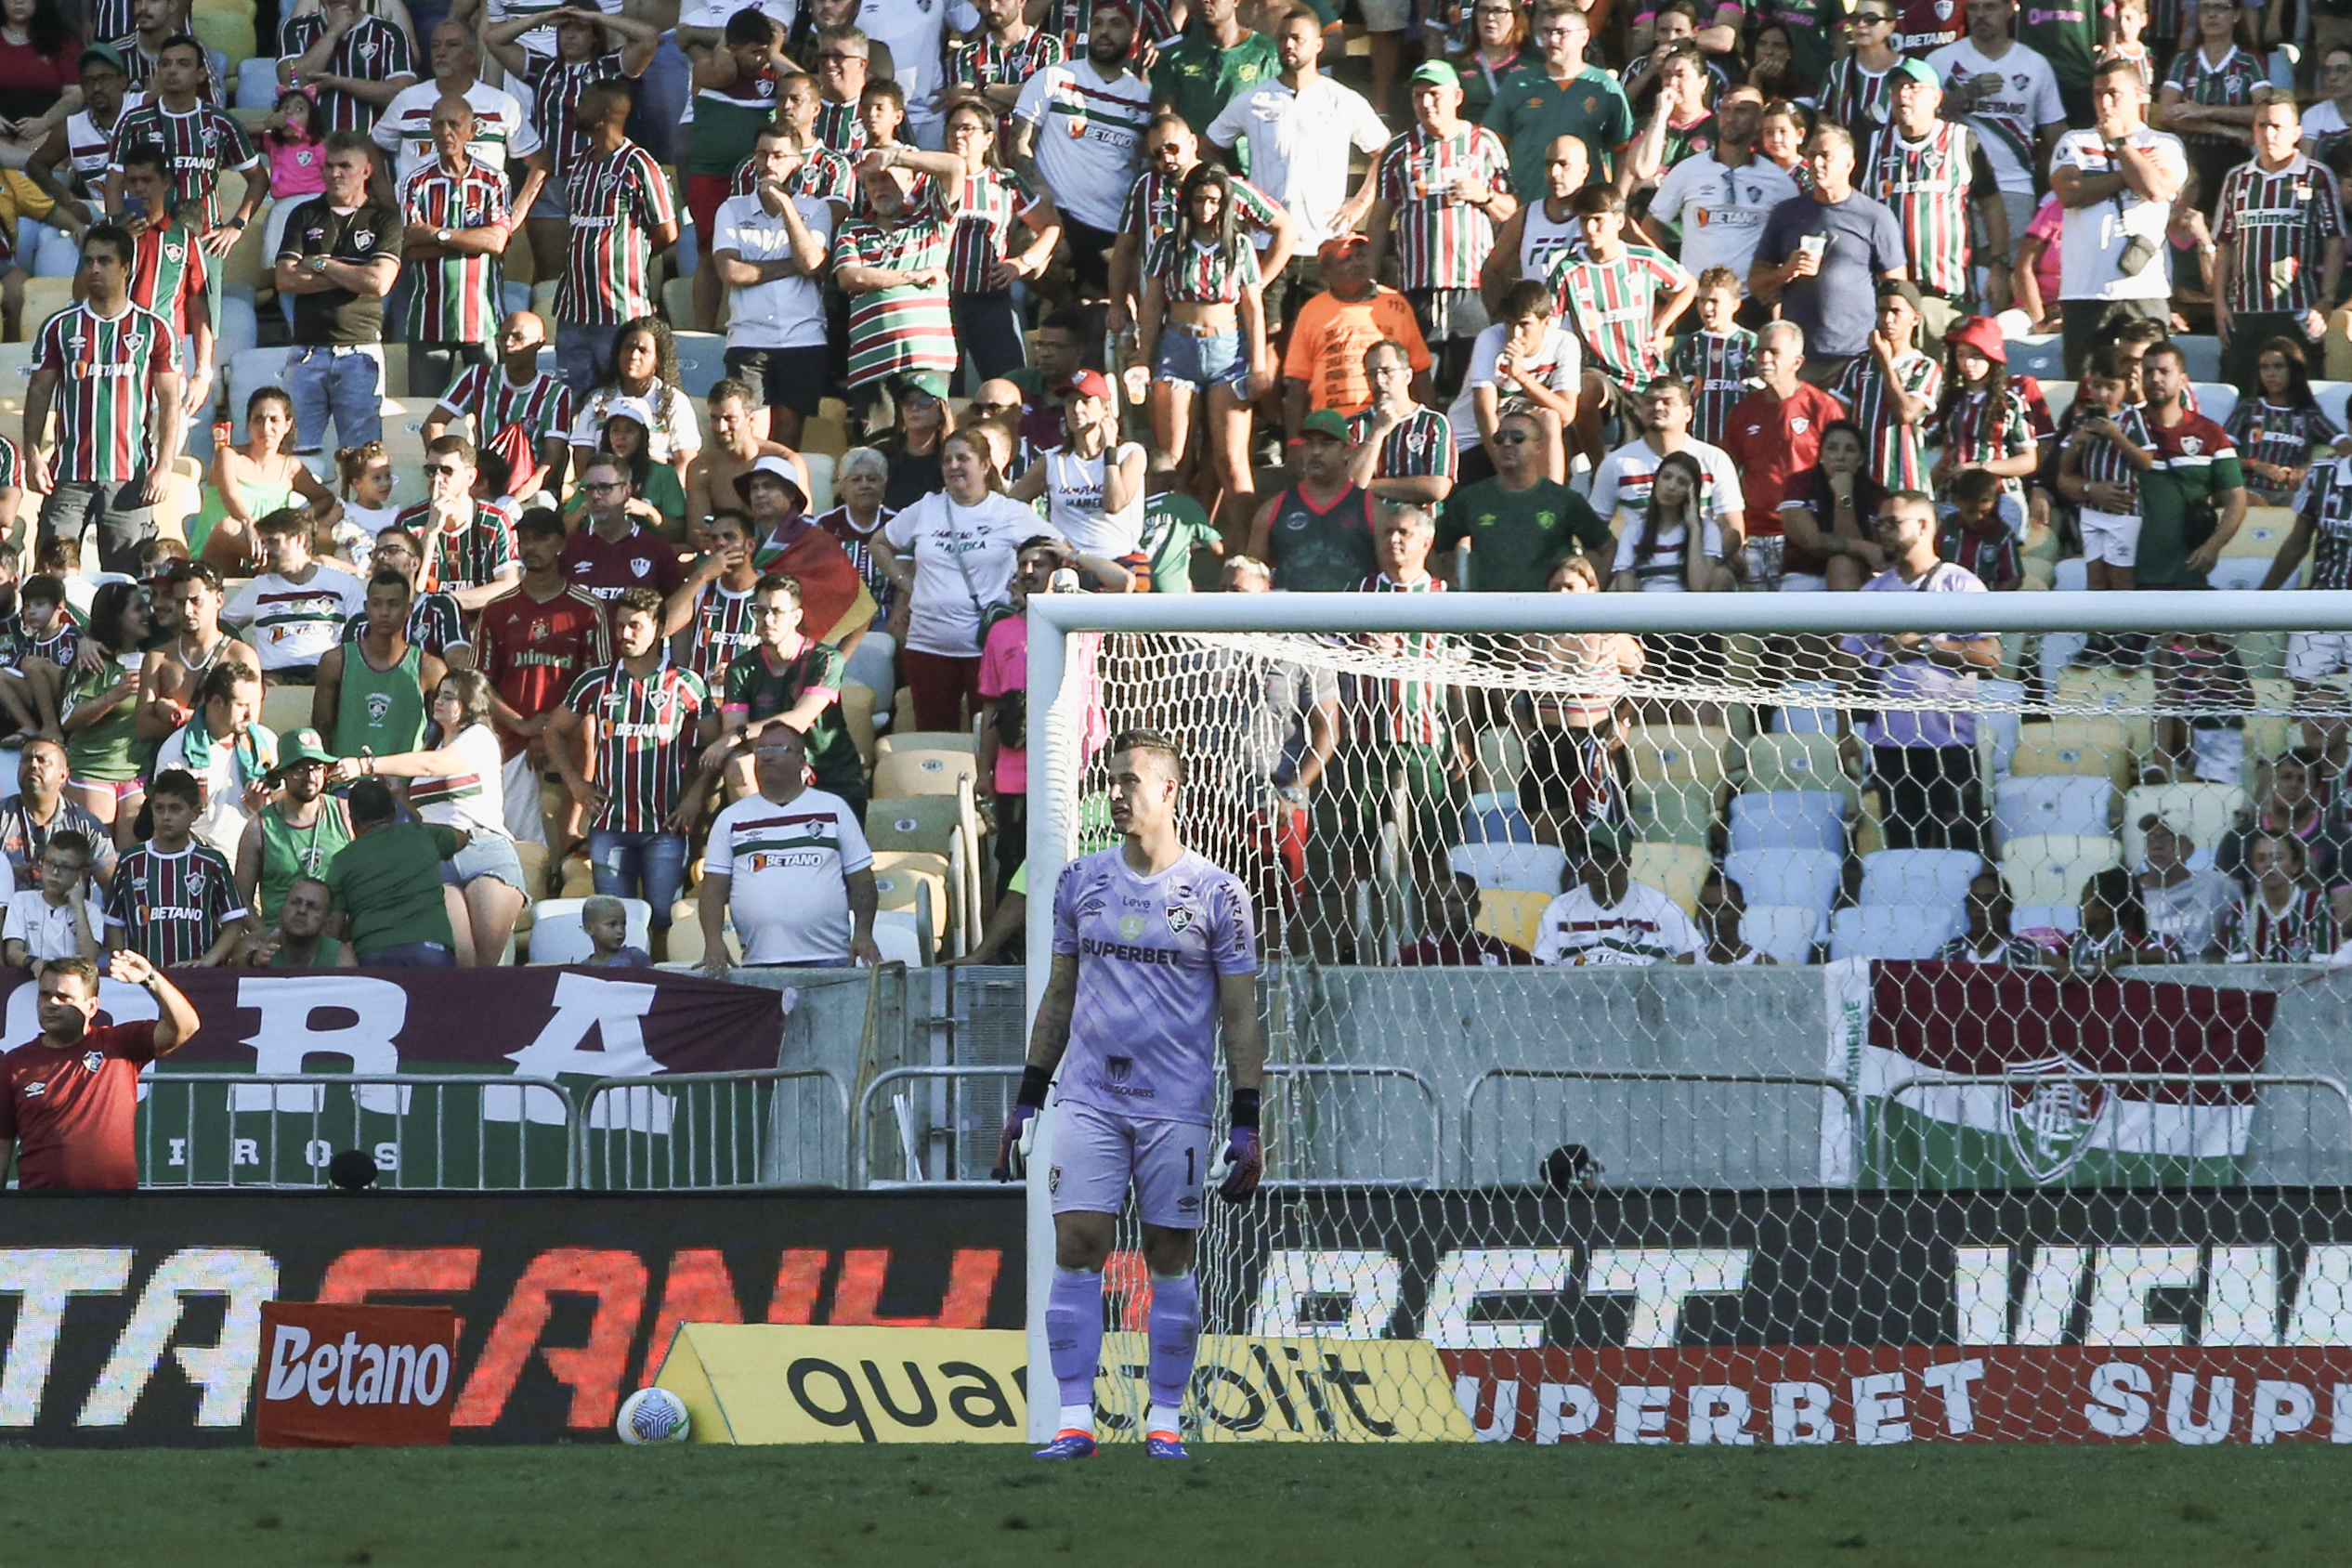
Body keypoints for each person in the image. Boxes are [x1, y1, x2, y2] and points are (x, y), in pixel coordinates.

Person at [996, 729, 1263, 1462]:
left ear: (1170, 790)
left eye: (1131, 780)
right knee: (1078, 1243)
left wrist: (1247, 1119)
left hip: (1175, 1106)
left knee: (1168, 1256)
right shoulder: (1080, 880)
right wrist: (1027, 1100)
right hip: (1088, 1098)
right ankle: (1075, 1418)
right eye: (1110, 780)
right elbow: (1058, 995)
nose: (1116, 792)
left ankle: (1166, 1421)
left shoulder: (1219, 894)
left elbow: (1241, 1016)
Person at [549, 587, 717, 960]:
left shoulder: (687, 683)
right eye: (620, 625)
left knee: (661, 919)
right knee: (611, 921)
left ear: (658, 630)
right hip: (610, 825)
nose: (625, 634)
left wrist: (695, 797)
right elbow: (554, 731)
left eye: (635, 626)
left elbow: (715, 745)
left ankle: (657, 987)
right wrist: (576, 783)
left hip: (666, 825)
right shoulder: (594, 682)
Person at [329, 668, 527, 968]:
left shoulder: (479, 737)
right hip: (437, 856)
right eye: (438, 695)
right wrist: (399, 795)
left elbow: (433, 766)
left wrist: (366, 764)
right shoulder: (432, 744)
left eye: (450, 697)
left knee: (487, 965)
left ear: (469, 704)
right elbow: (429, 811)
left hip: (483, 850)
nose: (439, 701)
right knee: (460, 961)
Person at [1840, 490, 2001, 851]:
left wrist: (1923, 646)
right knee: (1903, 848)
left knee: (1960, 848)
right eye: (1879, 523)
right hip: (1890, 743)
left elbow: (1991, 656)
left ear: (1925, 526)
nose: (1883, 531)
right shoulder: (1874, 591)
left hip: (1951, 742)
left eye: (1892, 523)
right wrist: (1844, 732)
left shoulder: (1960, 584)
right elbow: (1847, 664)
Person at [24, 224, 182, 575]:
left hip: (130, 476)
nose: (94, 268)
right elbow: (38, 393)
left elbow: (170, 402)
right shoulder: (60, 326)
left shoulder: (153, 328)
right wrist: (34, 456)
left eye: (105, 261)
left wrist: (165, 467)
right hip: (67, 474)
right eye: (89, 260)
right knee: (51, 576)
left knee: (128, 580)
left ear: (126, 267)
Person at [1127, 162, 1271, 544]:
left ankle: (1250, 552)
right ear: (1186, 202)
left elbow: (1253, 307)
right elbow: (1153, 302)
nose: (1205, 209)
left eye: (1213, 201)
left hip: (1227, 348)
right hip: (1178, 345)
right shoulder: (1167, 244)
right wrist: (1143, 356)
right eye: (1198, 200)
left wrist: (1258, 364)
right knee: (1173, 457)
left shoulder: (1238, 246)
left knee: (1231, 459)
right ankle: (1172, 547)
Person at [882, 426, 1043, 733]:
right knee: (933, 736)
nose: (953, 465)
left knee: (989, 733)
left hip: (987, 646)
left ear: (984, 465)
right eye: (947, 460)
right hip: (927, 645)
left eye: (963, 458)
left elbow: (1053, 549)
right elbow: (880, 543)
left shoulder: (1008, 512)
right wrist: (906, 584)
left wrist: (1024, 592)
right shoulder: (927, 507)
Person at [1366, 60, 1514, 390]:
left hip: (1473, 286)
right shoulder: (1399, 150)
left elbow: (1511, 210)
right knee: (1417, 383)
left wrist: (1484, 195)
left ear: (1457, 96)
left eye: (1434, 94)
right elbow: (1378, 220)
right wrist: (1372, 281)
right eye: (1419, 96)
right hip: (1418, 286)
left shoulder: (1484, 144)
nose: (1426, 103)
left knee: (1478, 382)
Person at [0, 950, 197, 1189]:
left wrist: (151, 978)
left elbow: (186, 1026)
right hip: (42, 1208)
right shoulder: (14, 1062)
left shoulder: (120, 1044)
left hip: (115, 1208)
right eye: (45, 995)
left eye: (64, 997)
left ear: (92, 1007)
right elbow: (3, 1140)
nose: (52, 1004)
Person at [694, 721, 880, 974]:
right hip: (758, 962)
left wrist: (863, 933)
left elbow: (862, 880)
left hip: (831, 959)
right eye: (761, 749)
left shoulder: (834, 809)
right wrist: (713, 941)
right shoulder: (731, 818)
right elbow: (713, 889)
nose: (768, 755)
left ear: (802, 761)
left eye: (780, 748)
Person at [473, 509, 609, 850]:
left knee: (564, 850)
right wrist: (522, 726)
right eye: (526, 539)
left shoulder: (587, 609)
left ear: (561, 544)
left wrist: (551, 730)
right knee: (515, 849)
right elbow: (478, 684)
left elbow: (601, 684)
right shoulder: (497, 609)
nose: (531, 546)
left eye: (542, 538)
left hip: (572, 741)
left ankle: (572, 837)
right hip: (511, 742)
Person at [2048, 59, 2188, 374]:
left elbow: (2155, 188)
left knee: (2152, 380)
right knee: (2088, 385)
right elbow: (2071, 193)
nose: (2105, 103)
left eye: (2114, 94)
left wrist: (2121, 145)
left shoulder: (2163, 142)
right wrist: (2131, 173)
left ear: (2139, 94)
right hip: (2085, 291)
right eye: (2098, 94)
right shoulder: (2074, 141)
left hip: (2144, 288)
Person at [1009, 3, 1150, 300]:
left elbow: (1144, 165)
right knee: (1029, 243)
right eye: (1098, 23)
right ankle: (1065, 307)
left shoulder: (1143, 99)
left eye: (1115, 25)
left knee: (1110, 311)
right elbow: (1019, 145)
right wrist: (1038, 192)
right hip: (1058, 217)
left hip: (1114, 227)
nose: (1104, 31)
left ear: (1133, 35)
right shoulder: (1054, 77)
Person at [1862, 59, 2005, 348]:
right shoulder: (1874, 144)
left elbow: (1991, 203)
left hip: (1947, 293)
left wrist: (1999, 264)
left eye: (1913, 88)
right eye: (1897, 88)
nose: (1903, 95)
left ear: (1936, 97)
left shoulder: (1961, 140)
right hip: (1889, 295)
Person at [1751, 124, 1911, 379]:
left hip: (1856, 356)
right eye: (1812, 155)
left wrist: (1892, 346)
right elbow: (1756, 283)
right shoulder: (1786, 213)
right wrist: (1785, 272)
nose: (1816, 163)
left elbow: (1897, 291)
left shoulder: (1874, 216)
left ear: (1849, 164)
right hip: (1800, 359)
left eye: (1825, 155)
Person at [712, 121, 835, 451]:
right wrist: (792, 267)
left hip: (803, 338)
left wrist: (786, 206)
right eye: (762, 154)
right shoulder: (733, 208)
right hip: (748, 339)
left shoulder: (815, 208)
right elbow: (731, 271)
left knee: (789, 440)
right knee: (749, 440)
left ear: (797, 161)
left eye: (779, 155)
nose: (769, 163)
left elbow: (812, 262)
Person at [2213, 93, 2345, 391]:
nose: (2268, 134)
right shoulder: (2237, 179)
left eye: (2277, 127)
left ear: (2297, 133)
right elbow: (2225, 244)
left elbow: (2334, 239)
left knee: (2300, 397)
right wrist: (2219, 303)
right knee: (2241, 395)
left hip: (2297, 309)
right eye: (2261, 126)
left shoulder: (2316, 176)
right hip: (2244, 311)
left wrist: (2326, 299)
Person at [706, 569, 866, 817]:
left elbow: (800, 720)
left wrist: (737, 735)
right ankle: (758, 837)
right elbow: (733, 728)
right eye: (759, 611)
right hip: (776, 778)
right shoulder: (741, 667)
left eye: (777, 612)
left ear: (796, 617)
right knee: (738, 761)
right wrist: (735, 737)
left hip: (832, 778)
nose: (767, 619)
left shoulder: (825, 659)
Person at [553, 78, 678, 393]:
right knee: (574, 398)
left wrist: (628, 254)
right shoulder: (579, 163)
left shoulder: (639, 164)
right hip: (574, 307)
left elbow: (667, 232)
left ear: (606, 112)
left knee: (622, 395)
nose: (575, 107)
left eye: (584, 101)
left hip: (619, 310)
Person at [396, 94, 519, 399]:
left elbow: (497, 241)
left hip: (484, 320)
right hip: (428, 318)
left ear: (472, 131)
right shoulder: (415, 182)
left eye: (454, 124)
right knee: (426, 409)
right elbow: (412, 247)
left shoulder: (493, 180)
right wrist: (472, 240)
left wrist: (438, 235)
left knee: (489, 408)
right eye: (438, 124)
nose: (445, 131)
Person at [1928, 0, 2067, 268]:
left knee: (2008, 272)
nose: (1980, 15)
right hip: (1953, 186)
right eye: (1973, 8)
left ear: (2009, 10)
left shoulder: (2035, 64)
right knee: (1959, 269)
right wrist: (1966, 94)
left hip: (2013, 185)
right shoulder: (1941, 60)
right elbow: (1921, 118)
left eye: (1989, 7)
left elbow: (2055, 131)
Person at [831, 145, 965, 421]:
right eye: (873, 181)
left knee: (929, 442)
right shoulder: (852, 228)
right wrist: (912, 276)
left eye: (888, 178)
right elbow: (849, 276)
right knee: (879, 452)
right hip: (870, 364)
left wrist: (896, 157)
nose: (880, 188)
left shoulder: (932, 221)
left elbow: (955, 167)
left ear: (911, 179)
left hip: (926, 359)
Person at [1551, 185, 1695, 428]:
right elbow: (1549, 323)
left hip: (1647, 373)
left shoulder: (1644, 260)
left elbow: (1688, 285)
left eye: (1598, 220)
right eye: (1584, 220)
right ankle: (1597, 465)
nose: (1589, 229)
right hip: (1601, 375)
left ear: (1619, 221)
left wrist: (1660, 326)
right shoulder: (1569, 270)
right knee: (1586, 390)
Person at [1721, 321, 1849, 590]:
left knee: (1801, 625)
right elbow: (1727, 476)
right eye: (1759, 352)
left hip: (1803, 538)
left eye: (1773, 352)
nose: (1764, 359)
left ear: (1797, 361)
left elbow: (1842, 472)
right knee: (1754, 627)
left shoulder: (1822, 407)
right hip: (1754, 536)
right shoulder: (1742, 412)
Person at [105, 33, 266, 240]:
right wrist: (119, 228)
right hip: (146, 236)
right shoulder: (134, 121)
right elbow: (114, 180)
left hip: (203, 237)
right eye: (165, 64)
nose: (172, 70)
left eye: (182, 64)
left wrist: (236, 225)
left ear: (201, 74)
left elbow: (259, 178)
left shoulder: (221, 122)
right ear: (157, 72)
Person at [1434, 403, 1611, 591]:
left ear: (1539, 447)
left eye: (1518, 438)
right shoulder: (1471, 498)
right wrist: (1448, 589)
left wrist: (1591, 591)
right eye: (1499, 438)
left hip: (1546, 613)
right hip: (1490, 614)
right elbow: (1435, 548)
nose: (1507, 444)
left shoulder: (1564, 501)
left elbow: (1606, 548)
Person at [1644, 86, 1799, 290]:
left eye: (1741, 110)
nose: (1730, 118)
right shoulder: (1689, 170)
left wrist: (1774, 284)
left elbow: (1791, 242)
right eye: (1725, 110)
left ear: (1759, 120)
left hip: (1750, 299)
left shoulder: (1779, 182)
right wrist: (1671, 281)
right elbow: (1651, 225)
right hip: (1698, 298)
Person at [1281, 232, 1431, 439]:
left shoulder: (1396, 304)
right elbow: (1298, 384)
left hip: (1390, 424)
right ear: (1326, 270)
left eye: (1361, 256)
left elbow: (1419, 370)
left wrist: (1426, 426)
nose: (1357, 263)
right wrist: (1294, 443)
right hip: (1332, 430)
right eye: (1347, 259)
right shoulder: (1311, 311)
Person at [111, 140, 216, 424]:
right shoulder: (108, 234)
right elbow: (79, 292)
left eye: (147, 180)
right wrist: (116, 245)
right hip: (113, 360)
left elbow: (199, 308)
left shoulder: (184, 238)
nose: (139, 188)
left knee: (166, 456)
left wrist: (202, 373)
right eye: (132, 181)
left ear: (165, 182)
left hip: (166, 363)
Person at [1485, 2, 1633, 201]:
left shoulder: (1605, 87)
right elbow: (1491, 143)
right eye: (1546, 32)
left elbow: (1623, 149)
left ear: (1584, 37)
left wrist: (1617, 199)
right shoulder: (1518, 83)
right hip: (1527, 204)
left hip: (1584, 209)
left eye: (1561, 32)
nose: (1552, 39)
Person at [423, 312, 574, 506]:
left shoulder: (556, 393)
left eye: (517, 337)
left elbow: (551, 460)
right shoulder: (476, 376)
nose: (508, 344)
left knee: (545, 505)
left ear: (539, 343)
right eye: (503, 338)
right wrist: (447, 473)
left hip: (531, 489)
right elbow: (433, 424)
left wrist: (512, 501)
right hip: (481, 483)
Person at [372, 20, 541, 190]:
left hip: (481, 213)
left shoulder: (501, 104)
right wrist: (384, 192)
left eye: (452, 45)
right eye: (435, 46)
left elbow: (539, 161)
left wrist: (517, 210)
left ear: (471, 56)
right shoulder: (408, 100)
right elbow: (373, 146)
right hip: (417, 212)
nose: (441, 53)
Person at [105, 766, 248, 965]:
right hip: (143, 979)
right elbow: (114, 923)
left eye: (175, 808)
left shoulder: (211, 862)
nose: (166, 816)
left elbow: (233, 922)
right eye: (159, 808)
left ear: (195, 813)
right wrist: (124, 962)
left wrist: (208, 961)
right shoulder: (131, 860)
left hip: (199, 977)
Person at [2136, 340, 2249, 591]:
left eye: (2164, 371)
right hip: (2123, 573)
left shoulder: (2210, 432)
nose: (2155, 378)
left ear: (2183, 379)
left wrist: (2213, 546)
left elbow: (2237, 499)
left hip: (2186, 573)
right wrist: (2091, 489)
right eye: (2148, 371)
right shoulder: (2121, 427)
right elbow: (2066, 481)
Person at [324, 777, 467, 967]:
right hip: (432, 948)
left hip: (375, 952)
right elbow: (462, 838)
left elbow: (334, 927)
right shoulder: (422, 835)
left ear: (353, 821)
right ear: (393, 812)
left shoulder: (341, 861)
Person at [1588, 376, 1744, 548]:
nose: (1657, 407)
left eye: (1667, 402)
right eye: (1650, 401)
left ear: (1688, 413)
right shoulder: (1616, 463)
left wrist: (1704, 564)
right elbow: (1595, 530)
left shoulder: (1714, 459)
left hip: (1699, 562)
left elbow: (1733, 529)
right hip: (1641, 567)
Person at [314, 568, 448, 759]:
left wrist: (418, 774)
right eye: (376, 604)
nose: (384, 612)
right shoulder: (336, 661)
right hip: (347, 782)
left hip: (404, 784)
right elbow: (322, 727)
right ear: (366, 608)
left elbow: (443, 730)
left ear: (409, 610)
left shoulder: (429, 668)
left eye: (393, 604)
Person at [222, 507, 367, 682]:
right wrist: (245, 661)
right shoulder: (258, 587)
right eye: (263, 542)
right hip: (272, 678)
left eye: (273, 542)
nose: (265, 549)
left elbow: (363, 627)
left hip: (326, 677)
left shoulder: (342, 582)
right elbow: (222, 625)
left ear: (300, 540)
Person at [1245, 409, 1380, 592]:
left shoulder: (1372, 509)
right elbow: (1250, 578)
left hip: (1352, 616)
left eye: (1326, 444)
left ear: (1346, 451)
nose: (1316, 451)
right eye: (1309, 443)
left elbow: (1391, 577)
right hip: (1291, 616)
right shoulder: (1273, 510)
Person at [233, 726, 352, 934]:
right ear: (282, 774)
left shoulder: (345, 814)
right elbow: (241, 899)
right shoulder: (259, 827)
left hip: (334, 942)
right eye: (299, 769)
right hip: (279, 941)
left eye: (316, 768)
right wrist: (266, 936)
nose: (310, 776)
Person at [1531, 822, 1703, 965]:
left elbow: (1692, 954)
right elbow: (1543, 969)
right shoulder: (1560, 909)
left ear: (1626, 863)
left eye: (1603, 858)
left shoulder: (1659, 906)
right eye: (1588, 858)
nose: (1593, 865)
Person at [204, 389, 339, 571]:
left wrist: (298, 519)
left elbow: (325, 499)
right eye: (258, 419)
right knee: (229, 527)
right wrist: (250, 526)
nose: (266, 427)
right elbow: (231, 497)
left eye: (274, 420)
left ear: (287, 424)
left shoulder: (291, 467)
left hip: (269, 551)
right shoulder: (228, 455)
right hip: (219, 553)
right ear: (249, 424)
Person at [59, 580, 148, 849]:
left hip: (137, 773)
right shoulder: (93, 659)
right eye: (138, 608)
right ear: (116, 616)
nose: (148, 614)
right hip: (92, 771)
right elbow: (69, 718)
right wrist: (114, 695)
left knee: (131, 862)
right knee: (94, 863)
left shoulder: (156, 654)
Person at [152, 660, 275, 856]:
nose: (249, 714)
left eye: (253, 704)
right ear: (217, 702)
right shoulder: (177, 749)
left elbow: (286, 805)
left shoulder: (266, 742)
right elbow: (166, 819)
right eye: (242, 705)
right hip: (197, 859)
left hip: (256, 857)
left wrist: (264, 808)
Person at [2160, 0, 2271, 215]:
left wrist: (2206, 110)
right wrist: (2222, 128)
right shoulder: (2184, 60)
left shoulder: (2249, 61)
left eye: (2220, 8)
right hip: (2190, 155)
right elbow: (2166, 112)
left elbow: (2263, 111)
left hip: (2235, 156)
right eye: (2206, 8)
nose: (2212, 15)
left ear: (2237, 15)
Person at [1833, 283, 1940, 495]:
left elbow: (1905, 413)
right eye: (1882, 311)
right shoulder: (1857, 365)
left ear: (1915, 318)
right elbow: (1838, 420)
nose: (1888, 319)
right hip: (1860, 478)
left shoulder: (1925, 366)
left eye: (1896, 311)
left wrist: (1885, 364)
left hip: (1904, 480)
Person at [2227, 338, 2347, 507]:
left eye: (2278, 366)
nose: (2270, 374)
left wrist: (2309, 467)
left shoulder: (2308, 415)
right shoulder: (2248, 408)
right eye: (2264, 367)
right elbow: (2221, 454)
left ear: (2294, 370)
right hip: (2249, 489)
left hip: (2291, 494)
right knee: (2254, 503)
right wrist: (2255, 465)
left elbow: (2347, 447)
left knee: (2302, 507)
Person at [561, 452, 686, 607]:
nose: (595, 496)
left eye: (604, 488)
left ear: (627, 491)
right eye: (590, 488)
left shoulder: (655, 548)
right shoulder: (572, 547)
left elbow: (678, 607)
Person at [278, 0, 416, 133]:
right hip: (308, 149)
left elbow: (401, 95)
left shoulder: (390, 34)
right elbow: (292, 81)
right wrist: (333, 32)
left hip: (369, 147)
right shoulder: (295, 29)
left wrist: (338, 82)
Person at [1, 738, 113, 893]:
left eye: (42, 760)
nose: (33, 765)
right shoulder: (3, 815)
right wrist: (8, 875)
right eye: (26, 759)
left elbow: (111, 885)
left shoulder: (86, 824)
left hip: (68, 913)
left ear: (63, 775)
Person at [2138, 808, 2238, 959]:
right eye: (2151, 838)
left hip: (2205, 975)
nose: (2157, 846)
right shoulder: (2128, 891)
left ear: (2189, 850)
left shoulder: (2217, 885)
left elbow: (2239, 933)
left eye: (2167, 838)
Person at [2221, 832, 2337, 961]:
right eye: (2261, 859)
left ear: (2295, 865)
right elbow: (2236, 971)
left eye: (2277, 858)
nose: (2269, 865)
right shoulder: (2241, 910)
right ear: (2253, 867)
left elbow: (2323, 969)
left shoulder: (2317, 905)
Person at [3, 830, 100, 973]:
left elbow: (89, 958)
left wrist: (79, 907)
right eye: (50, 863)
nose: (55, 872)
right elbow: (12, 952)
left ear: (82, 873)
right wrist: (33, 963)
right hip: (28, 983)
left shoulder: (91, 911)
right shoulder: (22, 900)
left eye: (65, 867)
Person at [1397, 871, 1533, 965]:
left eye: (1456, 901)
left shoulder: (1501, 951)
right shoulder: (1412, 956)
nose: (1448, 909)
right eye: (1441, 902)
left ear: (1476, 908)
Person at [242, 875, 352, 968]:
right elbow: (233, 967)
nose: (301, 910)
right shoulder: (255, 943)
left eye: (312, 907)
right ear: (281, 912)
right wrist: (253, 961)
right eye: (295, 903)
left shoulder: (341, 959)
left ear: (326, 923)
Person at [1935, 869, 2043, 963]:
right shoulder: (1948, 954)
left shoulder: (2026, 954)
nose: (1980, 908)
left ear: (2007, 907)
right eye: (1973, 901)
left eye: (1988, 901)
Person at [1695, 870, 1775, 965]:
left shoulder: (1761, 964)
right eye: (1707, 907)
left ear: (1741, 910)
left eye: (1723, 908)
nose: (1714, 915)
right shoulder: (1688, 962)